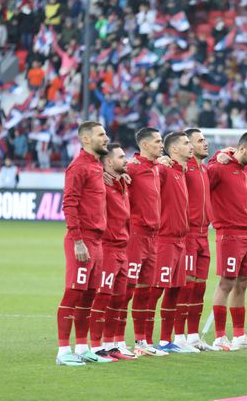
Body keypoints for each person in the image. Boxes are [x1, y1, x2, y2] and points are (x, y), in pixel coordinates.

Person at [55, 121, 110, 366]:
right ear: (86, 139)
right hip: (83, 239)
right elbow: (69, 204)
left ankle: (81, 347)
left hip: (97, 240)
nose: (106, 138)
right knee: (74, 293)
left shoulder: (96, 165)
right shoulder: (78, 167)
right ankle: (63, 351)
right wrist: (77, 240)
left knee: (89, 296)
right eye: (101, 134)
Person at [208, 132, 247, 351]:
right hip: (229, 234)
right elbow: (201, 183)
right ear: (240, 149)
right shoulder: (219, 168)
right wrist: (217, 156)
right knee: (226, 282)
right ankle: (220, 337)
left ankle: (239, 335)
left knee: (242, 283)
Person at [86, 143, 137, 361]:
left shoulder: (121, 183)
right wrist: (100, 176)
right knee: (103, 297)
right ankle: (96, 346)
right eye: (121, 157)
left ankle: (110, 344)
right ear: (108, 162)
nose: (126, 160)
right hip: (107, 248)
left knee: (119, 298)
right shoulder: (101, 184)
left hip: (123, 249)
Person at [150, 132, 195, 353]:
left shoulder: (180, 171)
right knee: (157, 289)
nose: (191, 147)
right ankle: (145, 341)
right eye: (187, 143)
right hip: (165, 240)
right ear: (174, 149)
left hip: (181, 241)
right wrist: (157, 163)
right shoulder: (164, 170)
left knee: (176, 289)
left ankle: (166, 341)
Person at [125, 128, 168, 357]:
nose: (161, 145)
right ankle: (117, 342)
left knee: (146, 291)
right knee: (127, 291)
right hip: (136, 236)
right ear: (144, 145)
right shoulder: (132, 167)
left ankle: (142, 342)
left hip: (153, 238)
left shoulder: (155, 169)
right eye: (157, 141)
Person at [176, 128, 219, 352]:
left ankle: (193, 336)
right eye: (200, 140)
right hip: (189, 234)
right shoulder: (183, 169)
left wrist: (225, 155)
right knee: (187, 285)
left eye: (205, 140)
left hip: (204, 234)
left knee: (199, 288)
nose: (205, 143)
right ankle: (178, 336)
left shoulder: (204, 169)